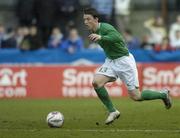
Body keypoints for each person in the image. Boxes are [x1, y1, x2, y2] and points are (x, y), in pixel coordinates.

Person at [83, 8, 172, 125]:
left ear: (96, 19)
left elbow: (119, 38)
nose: (85, 22)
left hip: (124, 62)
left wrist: (102, 37)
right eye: (84, 19)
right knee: (96, 83)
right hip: (111, 61)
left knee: (136, 96)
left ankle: (163, 94)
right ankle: (113, 111)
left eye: (88, 19)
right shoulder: (93, 31)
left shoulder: (105, 28)